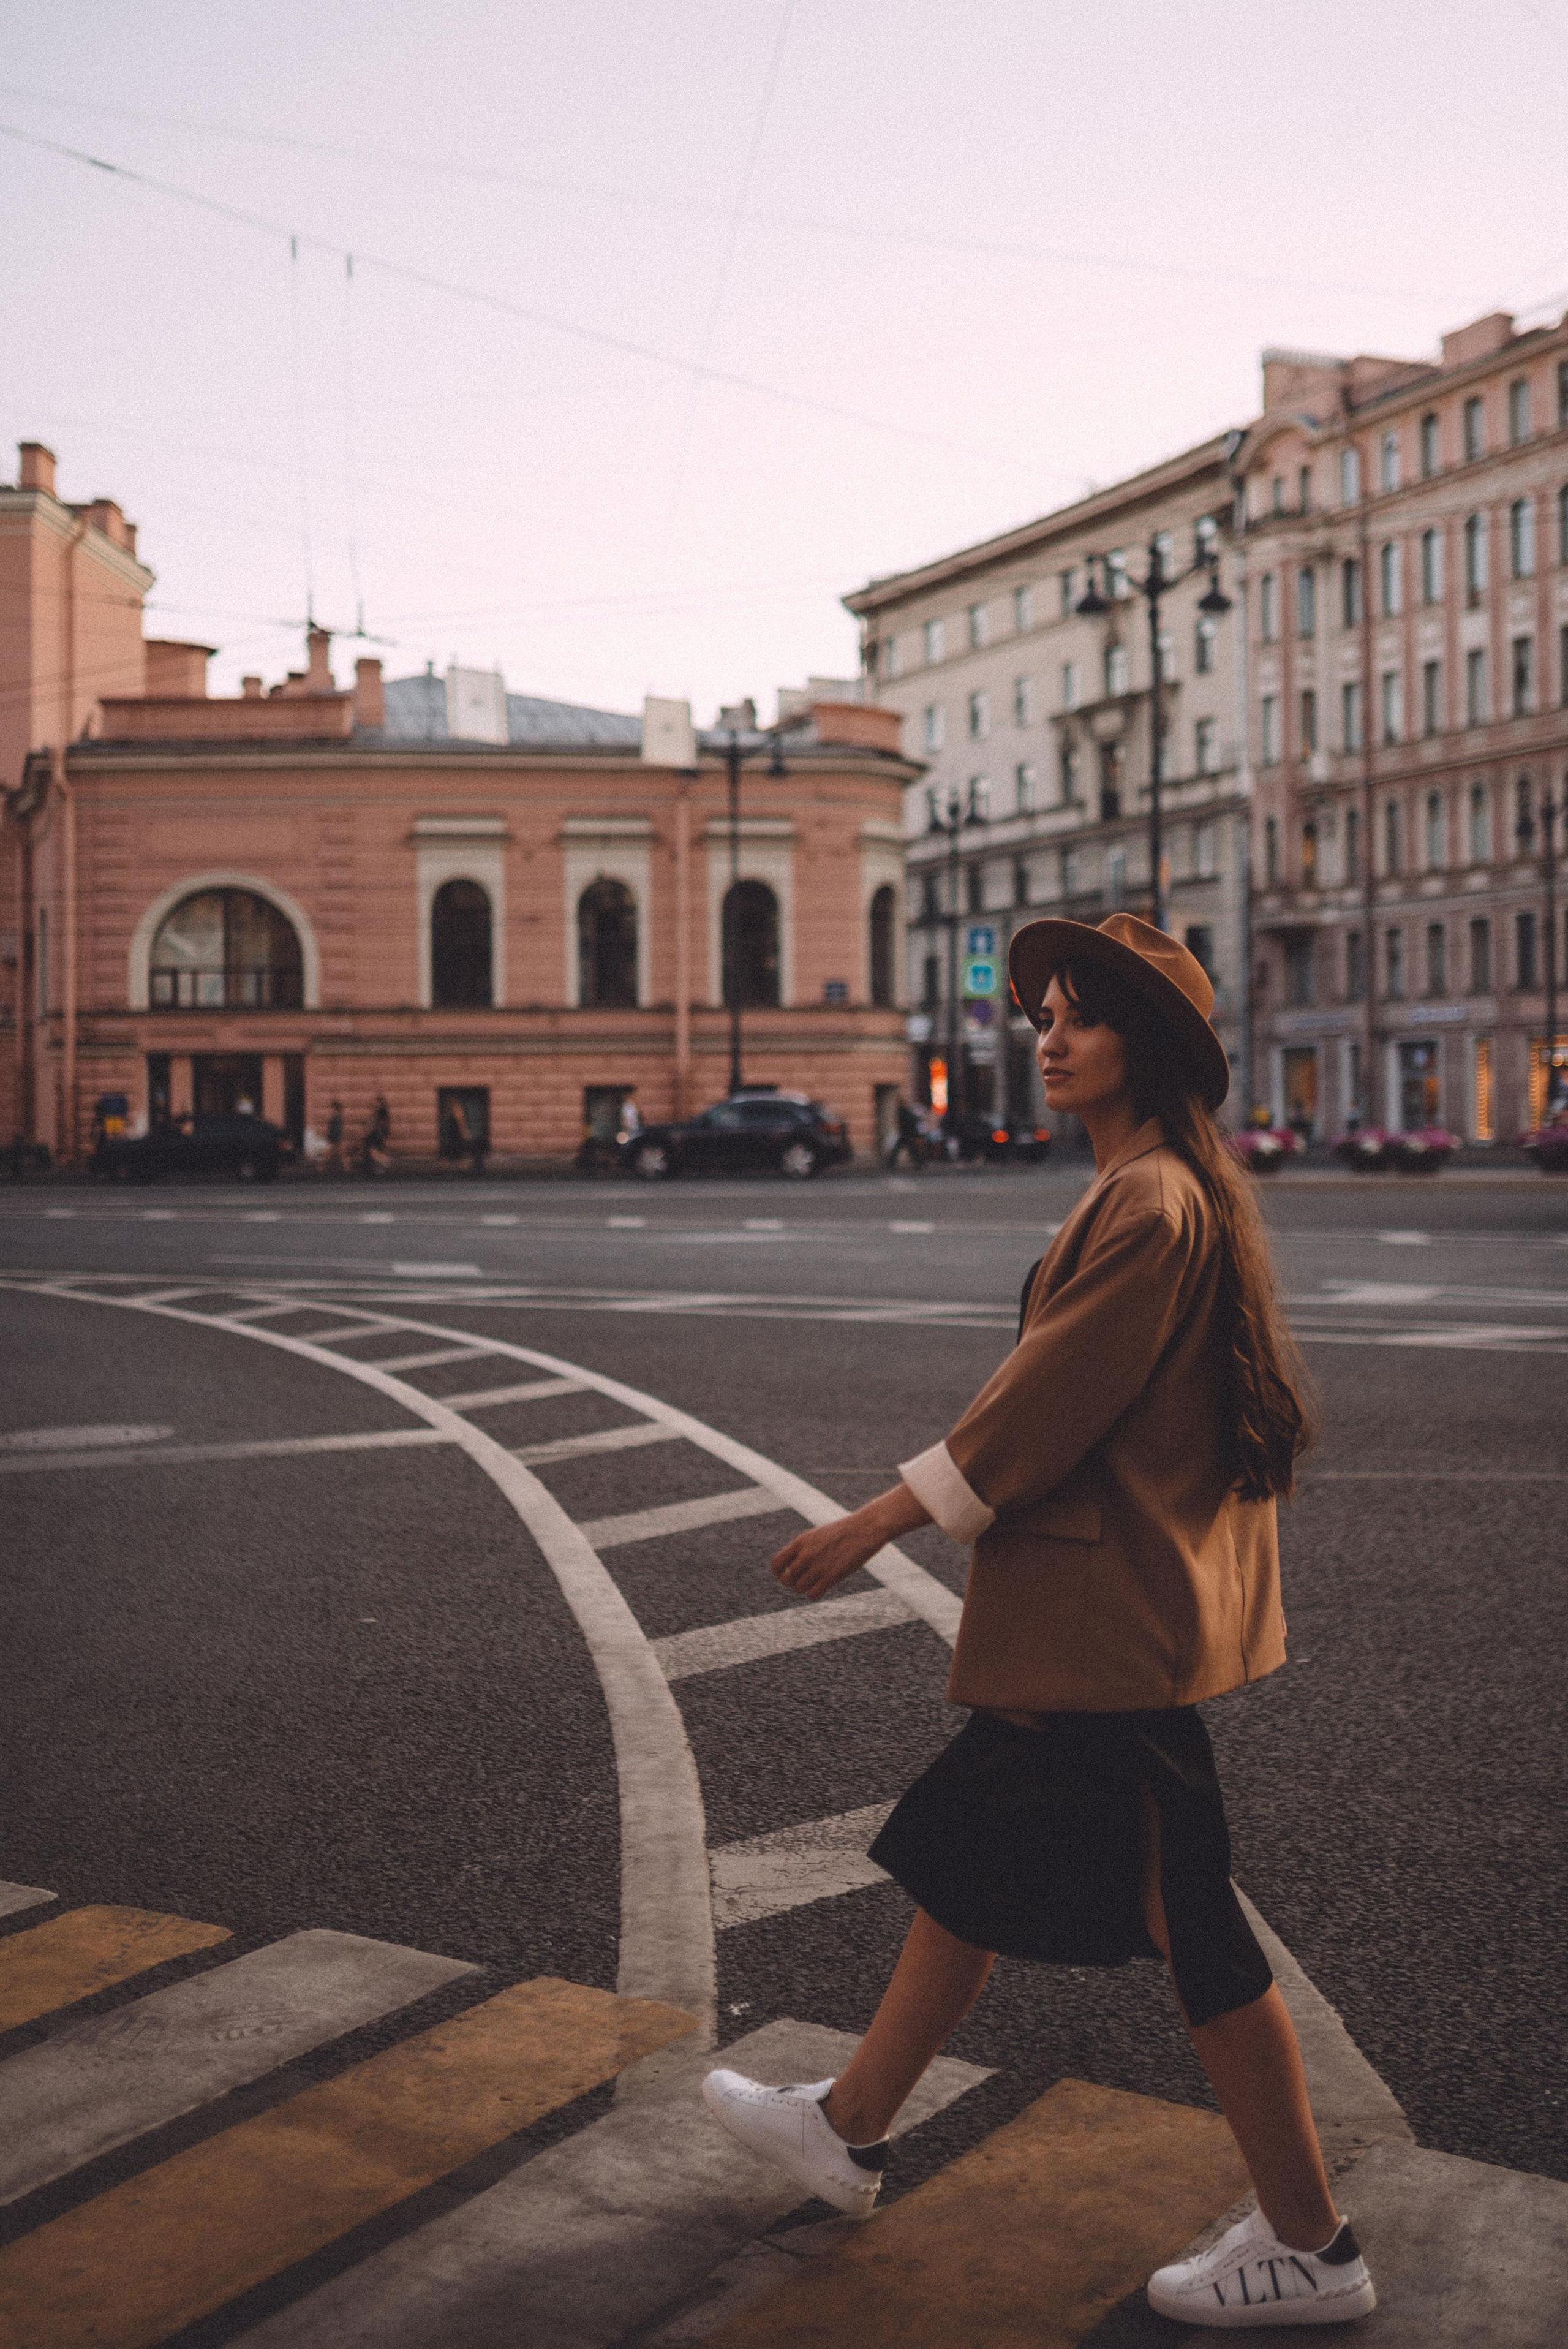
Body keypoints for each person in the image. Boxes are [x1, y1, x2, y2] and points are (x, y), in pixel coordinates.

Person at [701, 913, 1377, 2329]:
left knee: (1192, 1928)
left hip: (1102, 1630)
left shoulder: (1148, 1203)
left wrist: (872, 1520)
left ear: (1148, 1044)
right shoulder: (1151, 1188)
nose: (1049, 1039)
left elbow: (1042, 1403)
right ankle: (849, 2122)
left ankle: (1311, 2243)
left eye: (1079, 1017)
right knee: (968, 1860)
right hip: (1093, 1620)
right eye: (1044, 1016)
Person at [884, 1095, 925, 1170]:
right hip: (906, 1133)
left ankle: (891, 1163)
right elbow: (911, 1120)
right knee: (910, 1149)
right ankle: (920, 1162)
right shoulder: (904, 1110)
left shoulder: (903, 1110)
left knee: (908, 1149)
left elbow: (909, 1120)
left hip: (906, 1134)